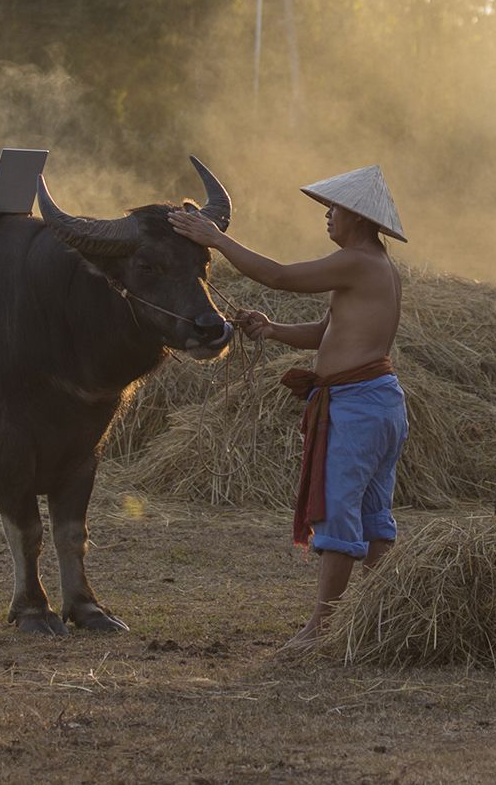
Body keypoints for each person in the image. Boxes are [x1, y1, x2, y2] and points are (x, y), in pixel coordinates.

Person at [168, 165, 409, 648]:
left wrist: (215, 240)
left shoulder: (359, 262)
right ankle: (387, 618)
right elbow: (327, 332)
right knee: (370, 513)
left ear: (358, 218)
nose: (327, 217)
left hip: (358, 405)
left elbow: (278, 275)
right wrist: (275, 330)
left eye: (334, 209)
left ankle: (322, 628)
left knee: (340, 511)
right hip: (377, 402)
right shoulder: (374, 268)